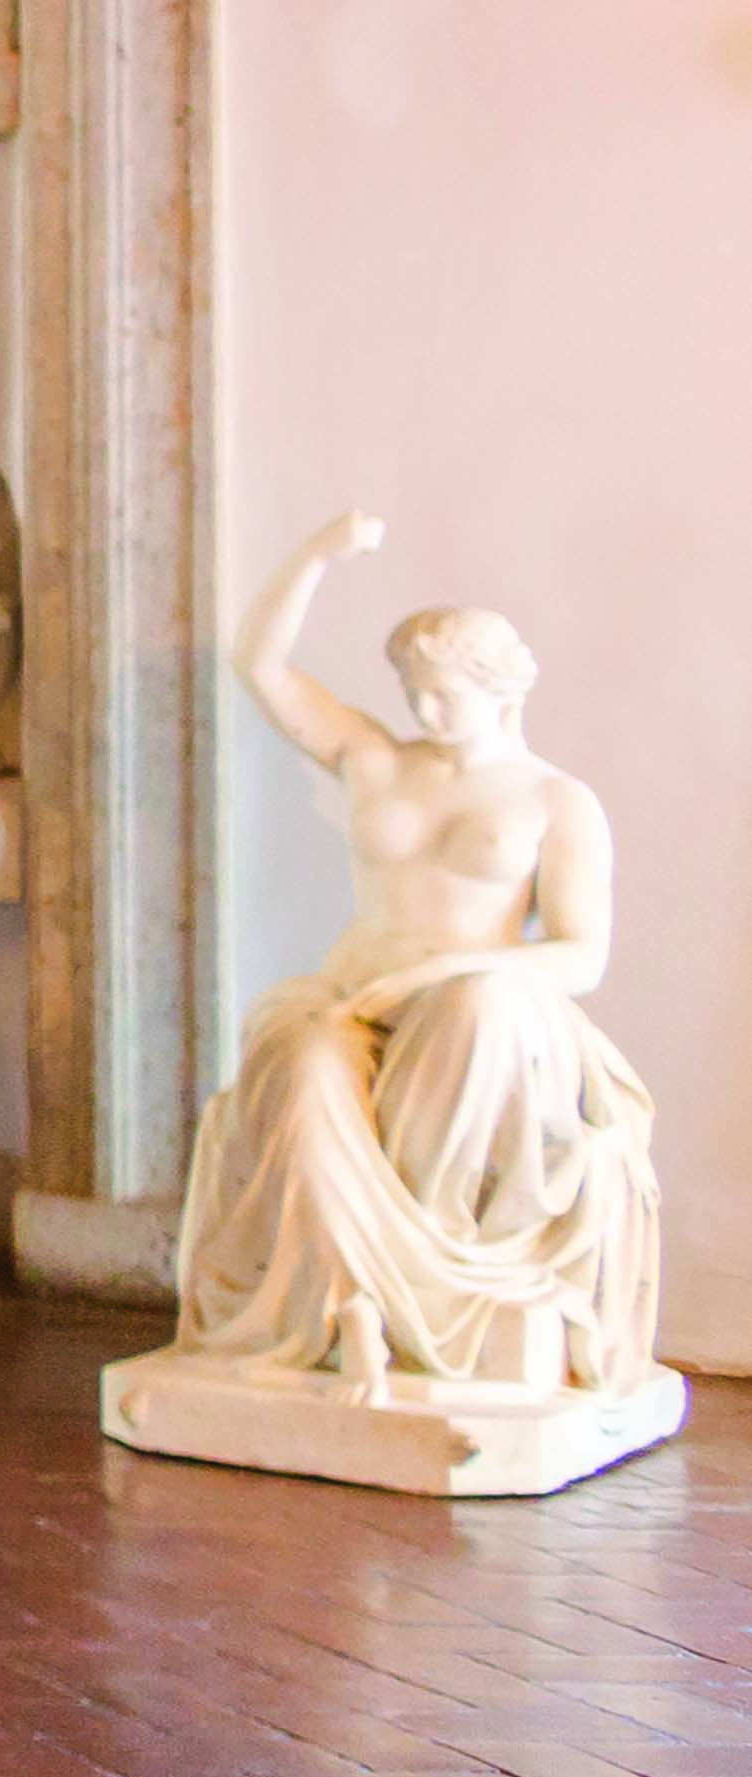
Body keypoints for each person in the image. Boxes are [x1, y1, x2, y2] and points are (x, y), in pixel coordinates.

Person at [162, 511, 658, 1399]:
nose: (424, 711)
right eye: (413, 690)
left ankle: (424, 1282)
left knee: (478, 1012)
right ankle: (348, 1298)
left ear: (500, 691)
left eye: (444, 694)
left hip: (476, 1009)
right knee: (305, 1061)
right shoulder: (376, 758)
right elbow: (260, 664)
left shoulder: (556, 800)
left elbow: (583, 955)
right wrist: (318, 552)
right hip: (356, 999)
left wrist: (453, 972)